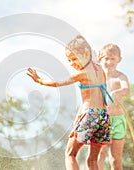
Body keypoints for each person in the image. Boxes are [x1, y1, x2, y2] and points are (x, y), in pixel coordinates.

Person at [27, 35, 113, 170]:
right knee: (92, 160)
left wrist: (39, 80)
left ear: (85, 54)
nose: (72, 63)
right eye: (69, 60)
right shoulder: (100, 70)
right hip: (103, 117)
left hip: (90, 115)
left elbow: (57, 83)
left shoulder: (82, 73)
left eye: (74, 58)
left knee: (70, 154)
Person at [97, 44, 130, 170]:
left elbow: (126, 89)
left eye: (113, 59)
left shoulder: (120, 76)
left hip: (118, 120)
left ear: (119, 60)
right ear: (100, 59)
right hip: (102, 119)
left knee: (115, 157)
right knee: (100, 152)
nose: (109, 62)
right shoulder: (98, 76)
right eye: (106, 58)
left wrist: (117, 92)